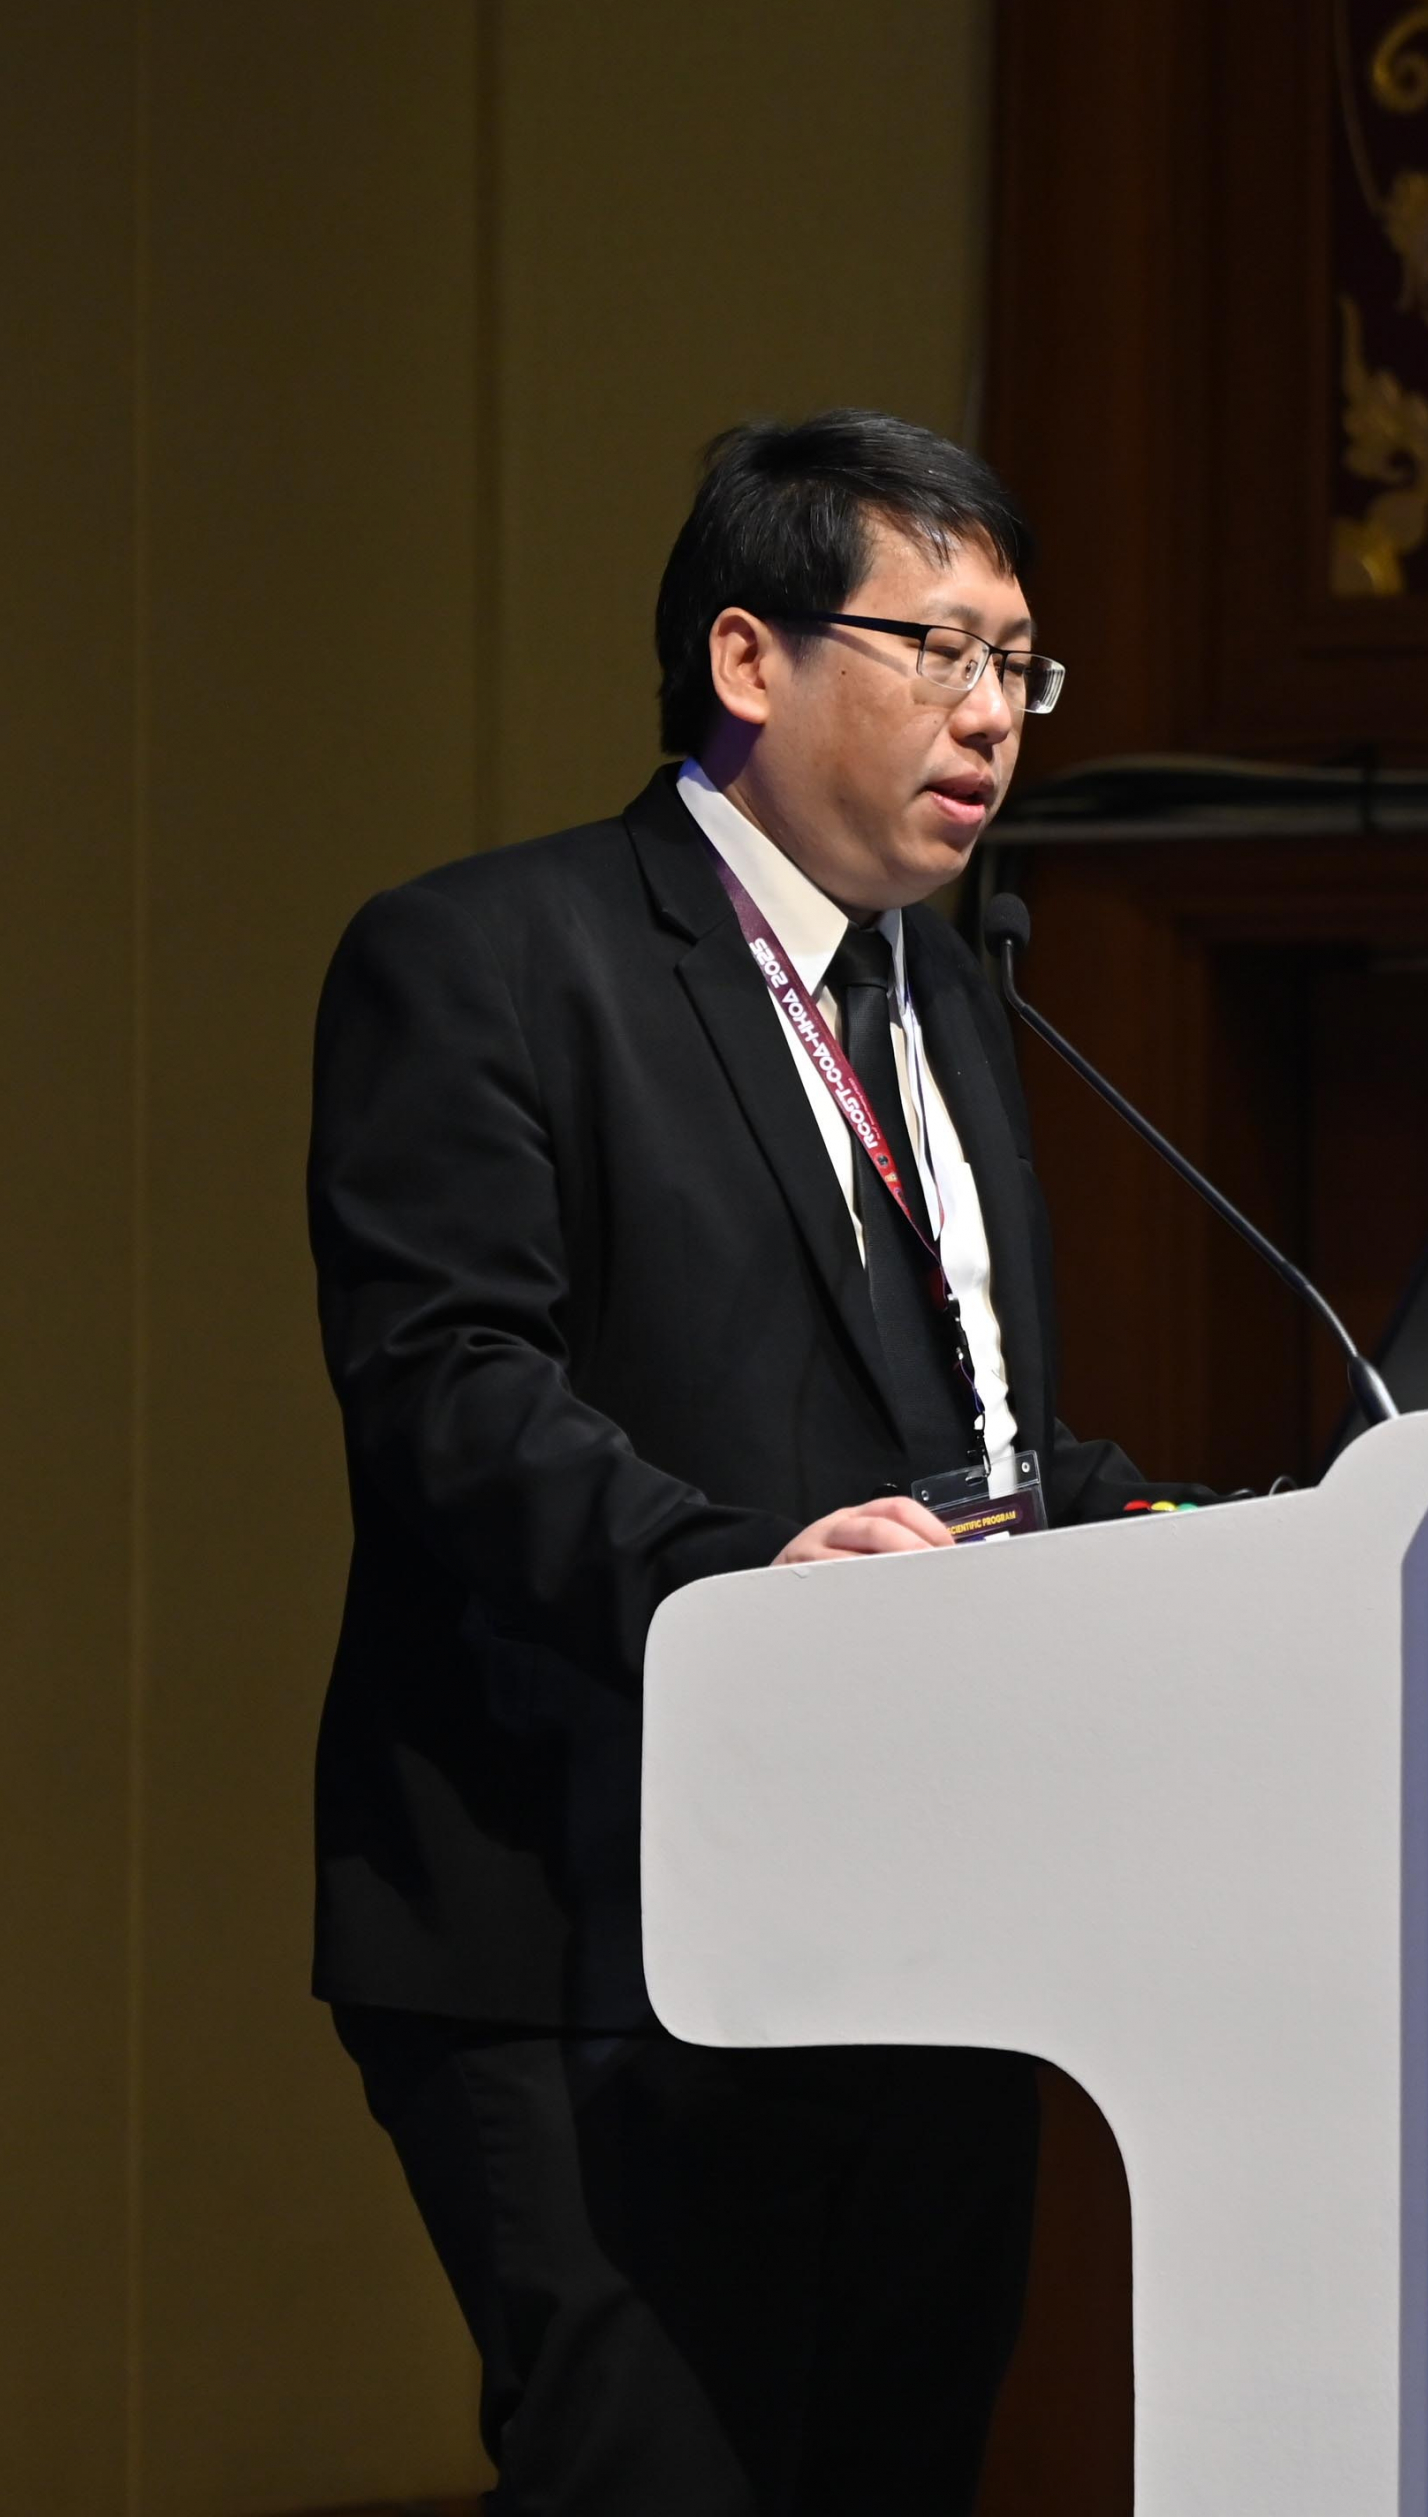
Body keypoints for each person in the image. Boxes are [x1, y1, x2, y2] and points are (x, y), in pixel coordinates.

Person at [305, 409, 1164, 2513]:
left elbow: (957, 1434)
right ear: (747, 658)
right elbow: (449, 1391)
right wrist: (737, 1580)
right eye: (937, 650)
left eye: (1018, 665)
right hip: (587, 1931)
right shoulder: (490, 958)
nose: (991, 715)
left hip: (920, 1939)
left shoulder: (953, 999)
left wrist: (1178, 1527)